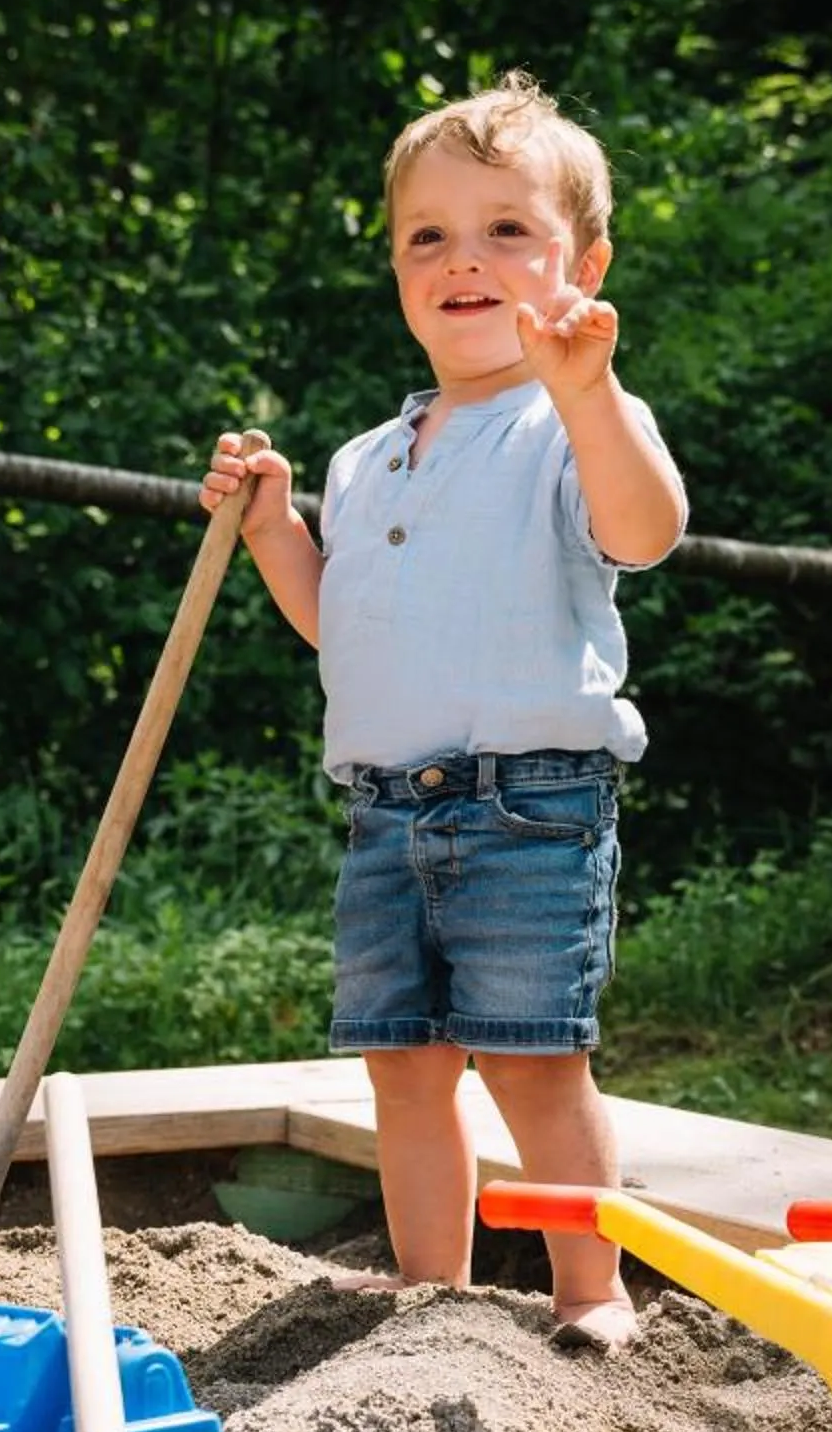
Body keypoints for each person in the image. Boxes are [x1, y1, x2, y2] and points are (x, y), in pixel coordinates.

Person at [198, 72, 689, 1351]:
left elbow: (648, 529)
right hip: (383, 807)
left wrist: (588, 393)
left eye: (506, 231)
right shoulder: (370, 457)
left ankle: (592, 1289)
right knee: (404, 1065)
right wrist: (272, 532)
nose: (463, 260)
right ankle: (435, 1293)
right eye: (430, 235)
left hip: (529, 799)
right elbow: (349, 626)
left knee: (533, 1057)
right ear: (399, 265)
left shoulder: (571, 417)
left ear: (582, 261)